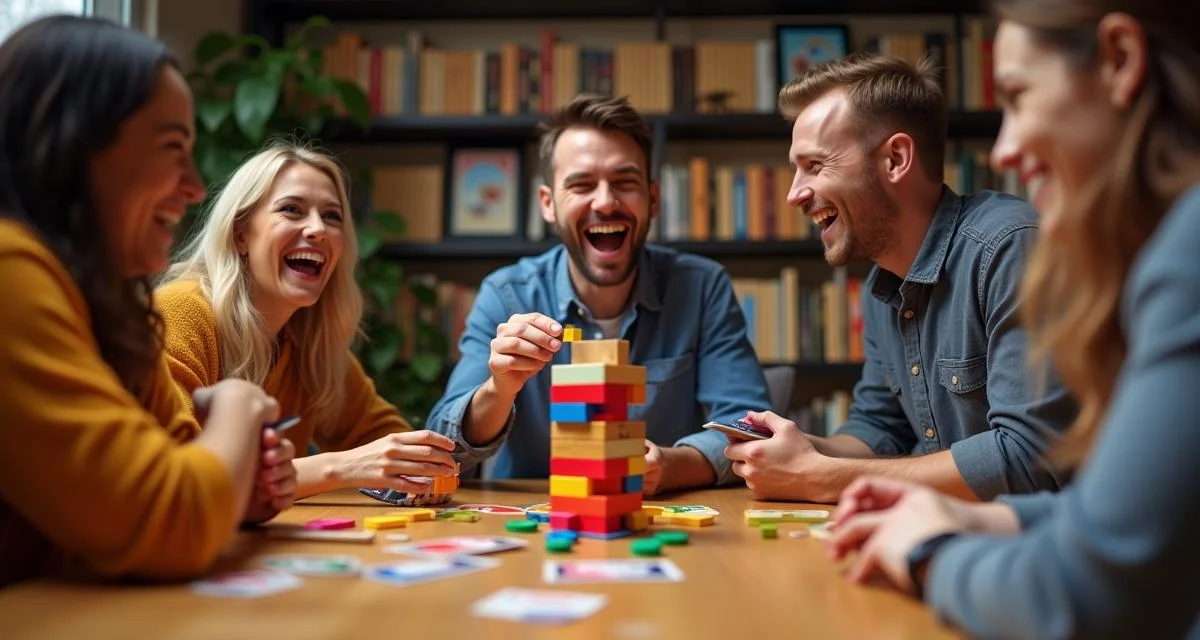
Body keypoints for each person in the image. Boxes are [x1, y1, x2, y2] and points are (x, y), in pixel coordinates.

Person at [827, 2, 1200, 636]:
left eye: (1019, 96)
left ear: (1120, 61)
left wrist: (925, 553)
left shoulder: (1184, 256)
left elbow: (1089, 590)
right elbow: (1123, 522)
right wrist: (978, 520)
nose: (1005, 147)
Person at [0, 15, 295, 587]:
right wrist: (239, 404)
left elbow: (189, 468)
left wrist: (238, 482)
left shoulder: (115, 300)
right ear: (73, 148)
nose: (192, 186)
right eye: (172, 148)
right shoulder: (11, 268)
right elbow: (174, 520)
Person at [725, 53, 1076, 503]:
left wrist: (820, 477)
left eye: (814, 165)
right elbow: (878, 430)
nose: (794, 194)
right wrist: (800, 451)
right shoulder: (883, 282)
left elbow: (1029, 459)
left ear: (895, 158)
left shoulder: (1009, 247)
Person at [425, 93, 771, 494]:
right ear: (548, 204)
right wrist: (499, 390)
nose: (605, 202)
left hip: (662, 521)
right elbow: (444, 448)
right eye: (582, 184)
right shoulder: (506, 295)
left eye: (625, 182)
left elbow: (748, 428)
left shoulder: (701, 286)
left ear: (653, 198)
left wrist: (672, 466)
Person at [157, 142, 458, 499]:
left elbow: (382, 440)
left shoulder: (308, 339)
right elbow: (179, 478)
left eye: (332, 217)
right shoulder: (179, 313)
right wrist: (341, 467)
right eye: (292, 210)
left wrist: (423, 471)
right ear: (240, 234)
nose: (318, 229)